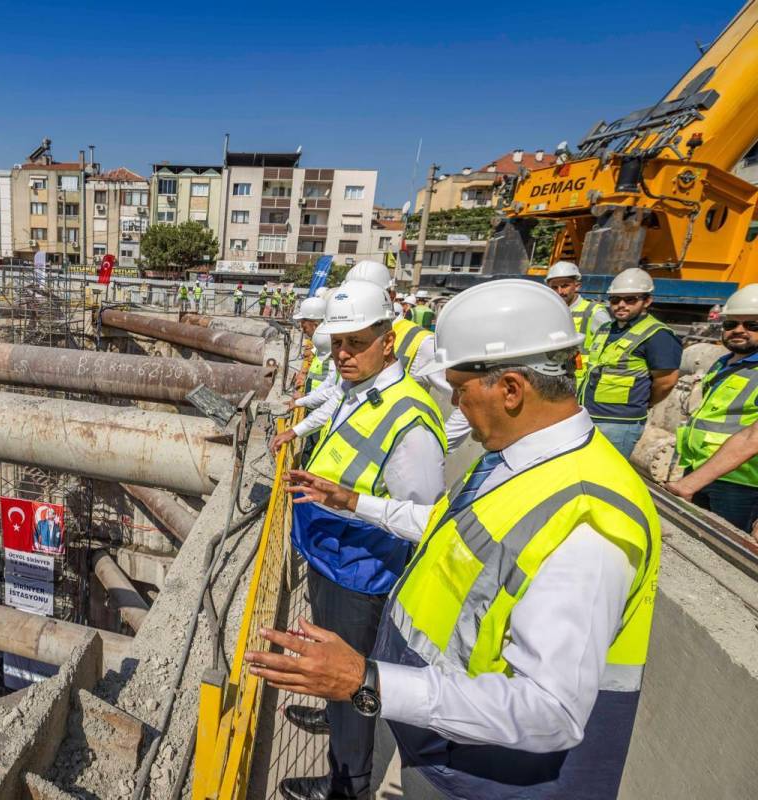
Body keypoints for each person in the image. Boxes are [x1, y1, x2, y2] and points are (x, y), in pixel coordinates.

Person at [249, 278, 661, 800]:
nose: (457, 410)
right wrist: (354, 501)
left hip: (483, 774)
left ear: (510, 387)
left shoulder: (587, 519)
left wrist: (368, 681)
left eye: (461, 391)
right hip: (440, 735)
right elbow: (444, 525)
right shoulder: (516, 462)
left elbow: (550, 712)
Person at [269, 281, 447, 800]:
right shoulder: (359, 389)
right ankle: (334, 725)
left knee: (353, 687)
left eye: (356, 342)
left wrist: (349, 502)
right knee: (335, 679)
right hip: (333, 559)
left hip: (361, 575)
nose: (342, 354)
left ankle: (347, 787)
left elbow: (425, 519)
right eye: (338, 342)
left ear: (387, 341)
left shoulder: (411, 421)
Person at [345, 260, 470, 447]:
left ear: (392, 296)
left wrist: (435, 446)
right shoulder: (347, 336)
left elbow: (468, 400)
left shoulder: (421, 343)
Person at [668, 284, 758, 531]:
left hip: (740, 485)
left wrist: (690, 483)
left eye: (752, 325)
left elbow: (753, 438)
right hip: (699, 469)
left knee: (722, 557)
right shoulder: (724, 362)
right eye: (731, 324)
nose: (739, 331)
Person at [579, 267, 682, 457]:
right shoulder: (606, 329)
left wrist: (644, 402)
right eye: (615, 300)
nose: (621, 305)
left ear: (647, 301)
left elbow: (666, 381)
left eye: (630, 299)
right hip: (588, 415)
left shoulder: (657, 335)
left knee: (606, 477)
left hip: (619, 424)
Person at [544, 260, 610, 384]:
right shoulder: (548, 311)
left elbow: (608, 350)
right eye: (554, 287)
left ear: (577, 286)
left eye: (564, 286)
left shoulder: (593, 312)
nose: (559, 292)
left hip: (581, 380)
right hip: (553, 377)